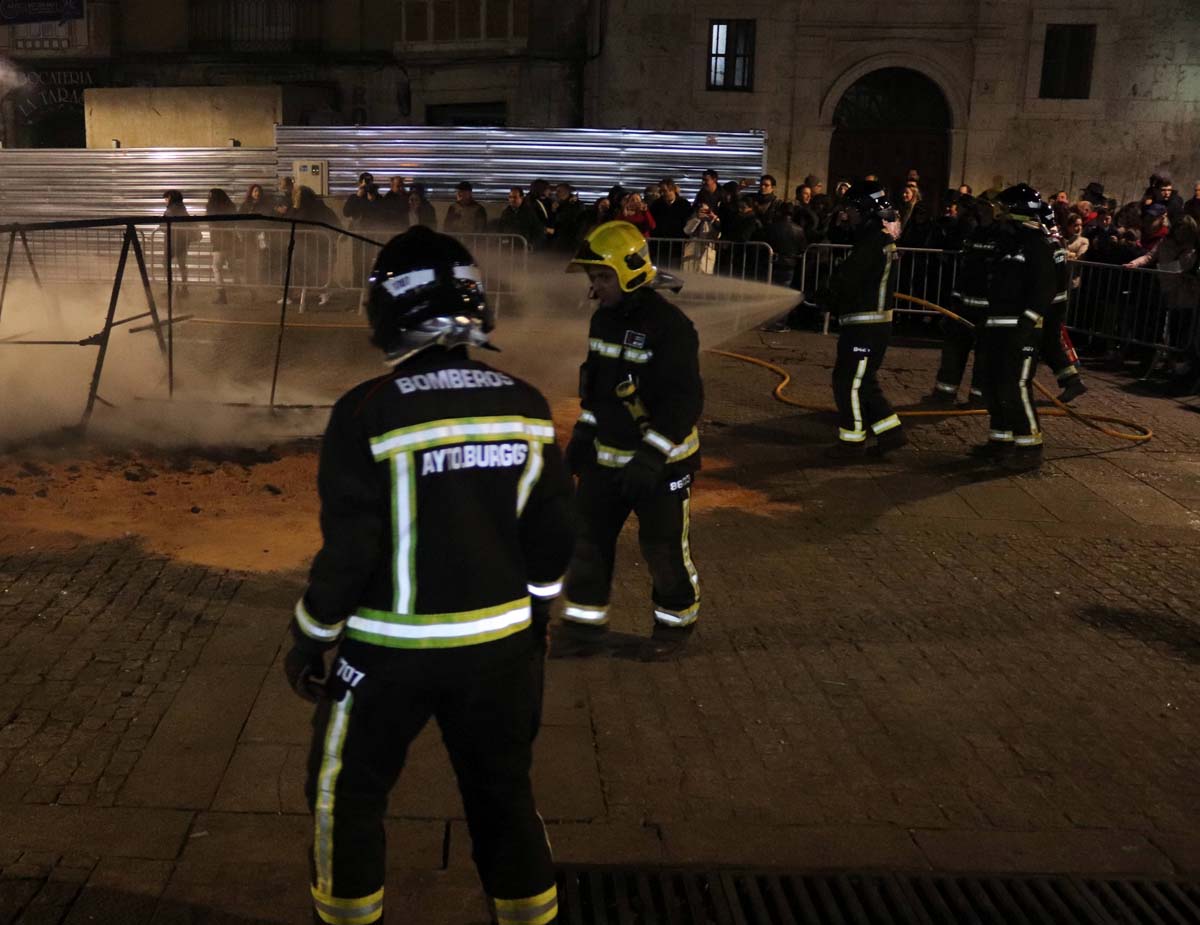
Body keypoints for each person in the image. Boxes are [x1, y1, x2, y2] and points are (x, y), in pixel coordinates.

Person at [283, 226, 572, 925]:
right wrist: (533, 621)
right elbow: (553, 536)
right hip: (500, 650)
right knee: (502, 795)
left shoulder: (365, 411)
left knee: (344, 796)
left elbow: (350, 549)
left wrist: (309, 634)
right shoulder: (528, 405)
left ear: (388, 309)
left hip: (389, 655)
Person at [559, 220, 703, 650]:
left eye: (603, 276)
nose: (596, 286)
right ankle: (585, 627)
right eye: (593, 278)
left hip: (661, 465)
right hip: (608, 459)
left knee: (661, 549)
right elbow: (599, 393)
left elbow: (683, 404)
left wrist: (651, 457)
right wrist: (580, 443)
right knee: (587, 541)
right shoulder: (603, 322)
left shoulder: (672, 327)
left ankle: (675, 627)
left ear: (630, 271)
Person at [972, 184, 1058, 470]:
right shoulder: (1007, 244)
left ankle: (1030, 448)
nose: (1000, 216)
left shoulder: (1037, 246)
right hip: (996, 328)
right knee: (992, 385)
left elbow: (1044, 290)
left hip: (1020, 331)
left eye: (1004, 210)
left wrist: (1026, 325)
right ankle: (1001, 441)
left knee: (1015, 387)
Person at [822, 180, 907, 459]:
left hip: (865, 326)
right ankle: (890, 433)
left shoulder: (873, 242)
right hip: (869, 325)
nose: (847, 215)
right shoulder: (874, 238)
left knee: (848, 382)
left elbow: (849, 280)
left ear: (866, 209)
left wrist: (826, 296)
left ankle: (852, 442)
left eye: (851, 209)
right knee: (864, 381)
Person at [931, 193, 999, 405]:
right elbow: (965, 270)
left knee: (985, 356)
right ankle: (945, 392)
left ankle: (979, 396)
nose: (981, 210)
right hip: (964, 303)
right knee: (953, 350)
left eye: (986, 206)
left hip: (988, 308)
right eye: (980, 206)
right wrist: (955, 299)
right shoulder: (975, 232)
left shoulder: (1001, 236)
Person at [205, 188, 237, 305]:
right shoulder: (230, 206)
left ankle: (221, 294)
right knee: (233, 266)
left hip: (219, 242)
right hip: (230, 241)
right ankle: (251, 290)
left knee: (216, 267)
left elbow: (212, 224)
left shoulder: (212, 208)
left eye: (210, 196)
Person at [161, 189, 194, 296]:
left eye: (166, 198)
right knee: (182, 265)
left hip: (172, 241)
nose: (165, 201)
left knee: (166, 264)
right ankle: (185, 288)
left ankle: (173, 288)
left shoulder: (170, 211)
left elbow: (163, 226)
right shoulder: (183, 209)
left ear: (171, 198)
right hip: (183, 242)